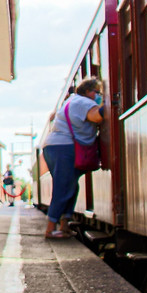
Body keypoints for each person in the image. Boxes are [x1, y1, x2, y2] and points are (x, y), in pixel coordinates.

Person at [42, 77, 104, 239]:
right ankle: (50, 229)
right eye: (96, 92)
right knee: (63, 187)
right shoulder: (82, 102)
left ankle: (64, 225)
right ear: (88, 92)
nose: (98, 96)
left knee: (71, 186)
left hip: (56, 147)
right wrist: (107, 104)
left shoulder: (72, 101)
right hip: (63, 147)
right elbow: (97, 116)